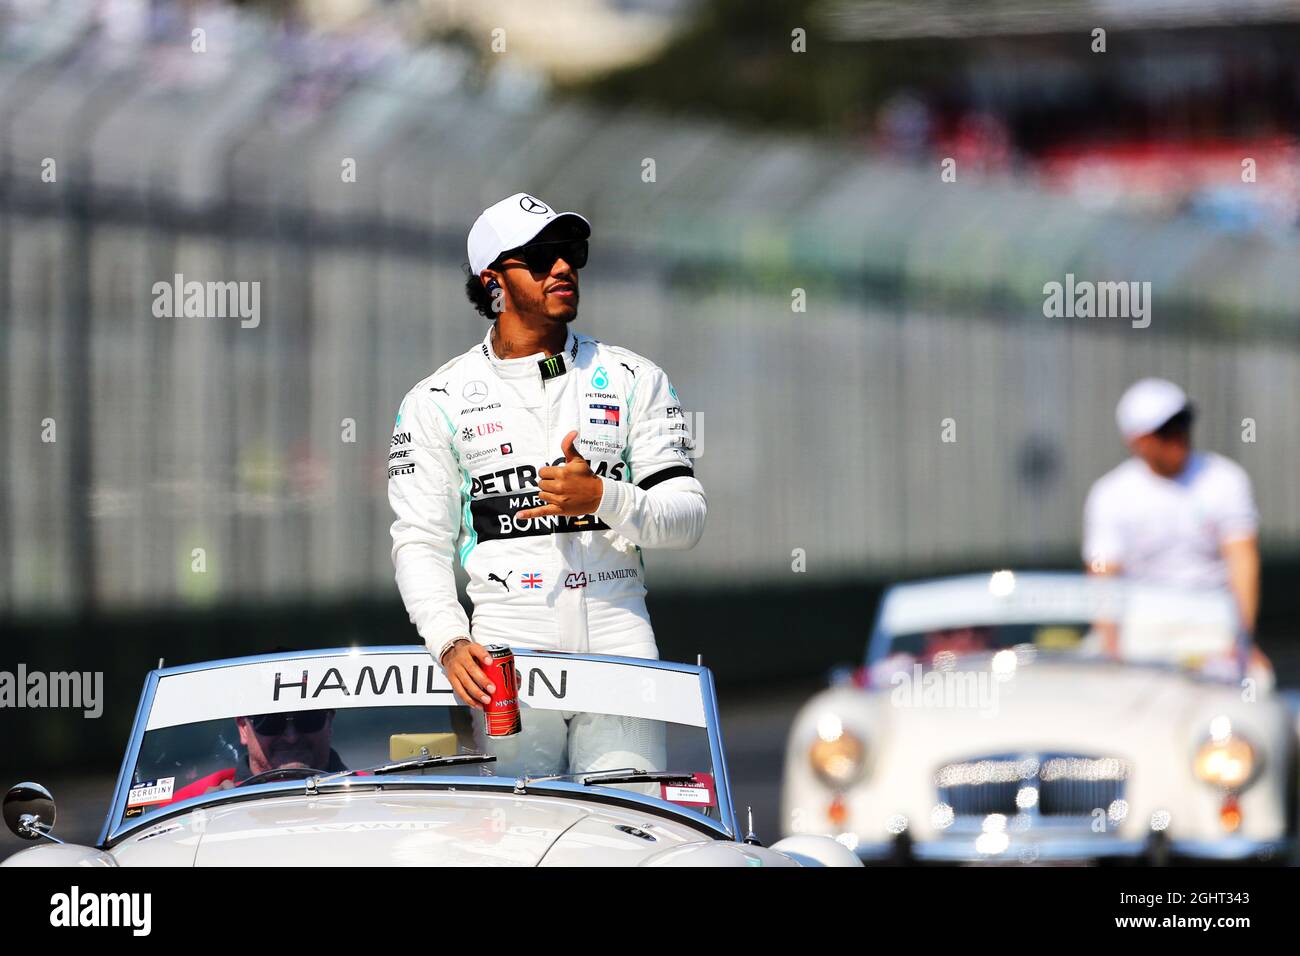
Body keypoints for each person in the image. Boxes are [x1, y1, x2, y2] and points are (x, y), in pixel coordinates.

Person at [388, 192, 705, 774]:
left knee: (624, 838)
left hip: (621, 644)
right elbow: (419, 541)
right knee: (513, 840)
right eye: (539, 258)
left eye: (570, 251)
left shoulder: (636, 378)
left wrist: (605, 498)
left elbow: (686, 519)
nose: (563, 268)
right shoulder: (435, 400)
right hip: (505, 654)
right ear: (493, 282)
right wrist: (448, 639)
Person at [1083, 378, 1260, 659]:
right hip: (1140, 627)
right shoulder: (1110, 494)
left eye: (1182, 424)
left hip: (1211, 625)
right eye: (1164, 431)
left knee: (1256, 682)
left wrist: (1241, 639)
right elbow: (1103, 574)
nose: (1178, 437)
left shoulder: (1226, 479)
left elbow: (1242, 559)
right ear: (1137, 441)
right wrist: (1112, 648)